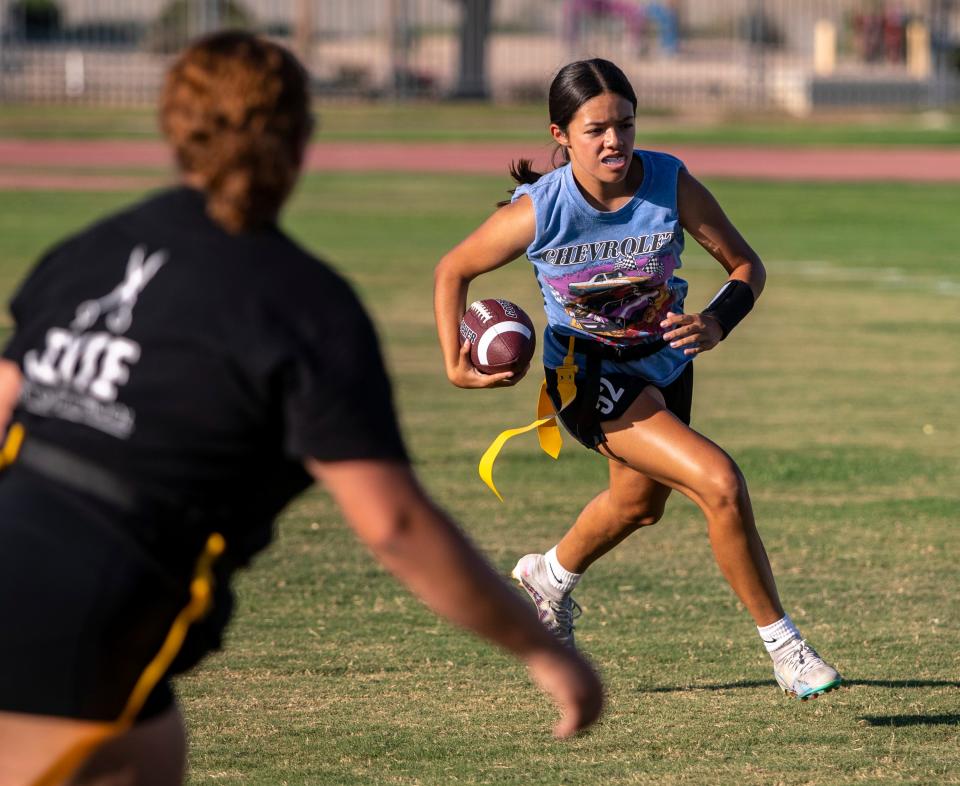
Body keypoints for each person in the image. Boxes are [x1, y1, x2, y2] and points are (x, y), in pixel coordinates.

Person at [0, 32, 602, 786]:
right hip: (84, 613)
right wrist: (542, 651)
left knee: (151, 753)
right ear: (302, 139)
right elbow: (395, 524)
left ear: (173, 128)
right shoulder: (303, 306)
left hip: (57, 593)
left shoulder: (86, 253)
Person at [434, 58, 842, 702]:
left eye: (624, 124)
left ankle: (549, 577)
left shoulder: (669, 182)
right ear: (561, 134)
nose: (614, 141)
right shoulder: (541, 210)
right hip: (586, 375)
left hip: (665, 365)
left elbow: (745, 266)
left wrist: (716, 321)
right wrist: (457, 364)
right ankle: (785, 647)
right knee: (720, 483)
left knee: (639, 506)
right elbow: (453, 270)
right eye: (595, 128)